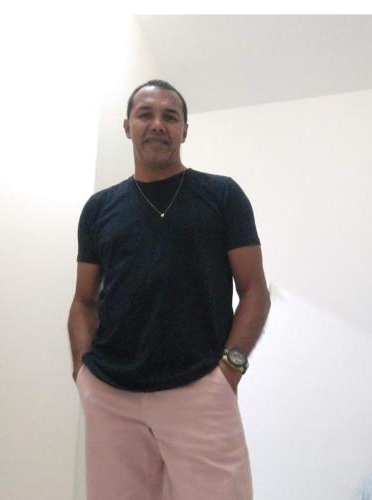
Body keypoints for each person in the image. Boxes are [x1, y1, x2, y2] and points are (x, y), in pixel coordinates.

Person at [68, 79, 271, 500]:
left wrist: (228, 371)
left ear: (184, 130)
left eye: (170, 116)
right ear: (127, 127)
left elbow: (255, 292)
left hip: (199, 389)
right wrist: (83, 372)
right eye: (146, 114)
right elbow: (83, 300)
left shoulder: (222, 196)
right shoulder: (100, 209)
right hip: (110, 394)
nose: (157, 124)